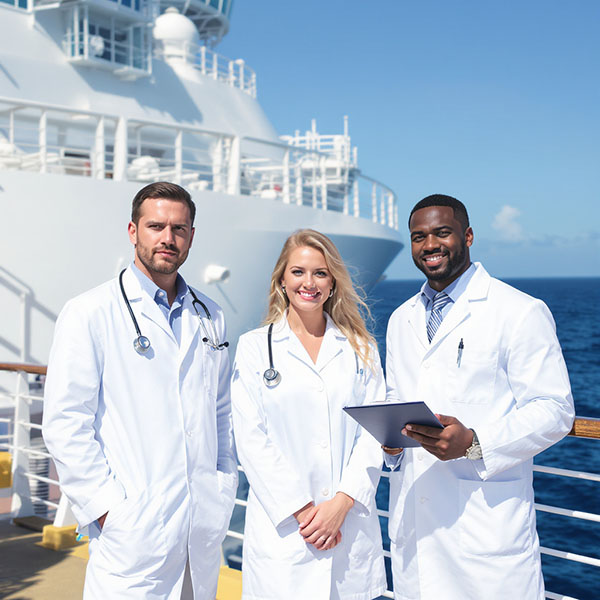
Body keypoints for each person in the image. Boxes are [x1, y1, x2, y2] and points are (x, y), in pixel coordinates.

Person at [42, 182, 237, 599]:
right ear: (133, 231)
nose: (168, 238)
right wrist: (107, 510)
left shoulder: (211, 316)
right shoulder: (89, 312)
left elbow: (222, 413)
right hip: (131, 533)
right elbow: (65, 422)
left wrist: (223, 487)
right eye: (156, 226)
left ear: (191, 236)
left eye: (179, 229)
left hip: (198, 528)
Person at [383, 194, 574, 600]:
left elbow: (555, 410)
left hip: (484, 526)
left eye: (442, 233)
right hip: (416, 524)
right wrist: (390, 445)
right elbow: (395, 399)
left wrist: (474, 443)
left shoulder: (519, 311)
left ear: (467, 236)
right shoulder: (401, 319)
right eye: (419, 237)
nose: (430, 245)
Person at [230, 229, 387, 600]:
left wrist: (342, 503)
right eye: (298, 272)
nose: (309, 282)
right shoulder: (255, 348)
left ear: (333, 282)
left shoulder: (360, 348)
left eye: (320, 273)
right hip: (286, 528)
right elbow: (250, 438)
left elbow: (374, 433)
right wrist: (306, 513)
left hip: (347, 525)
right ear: (282, 280)